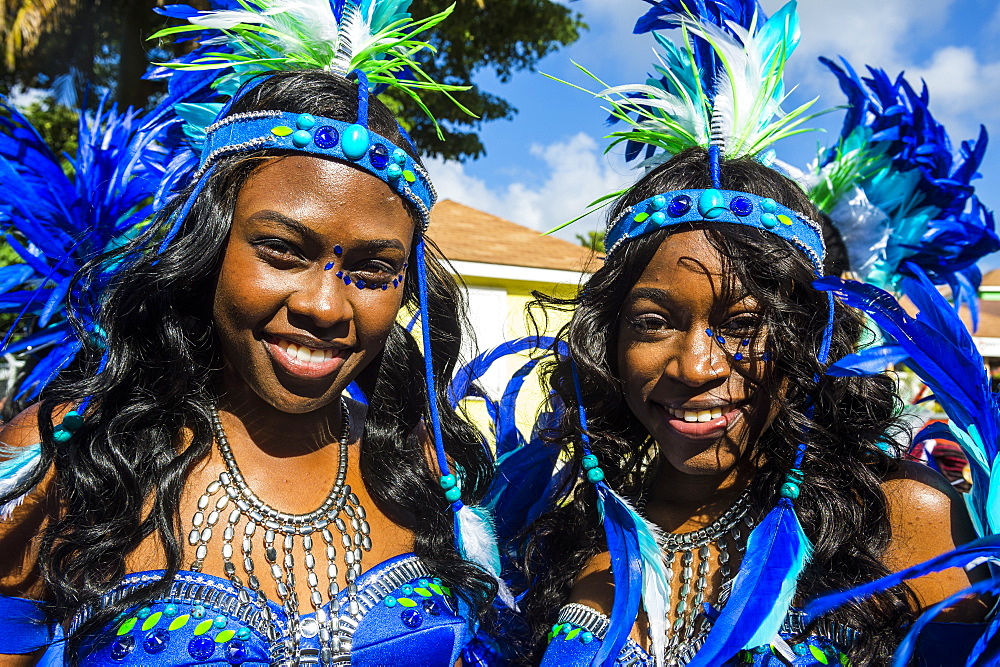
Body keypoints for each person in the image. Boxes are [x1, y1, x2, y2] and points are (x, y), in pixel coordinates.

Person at [0, 3, 501, 663]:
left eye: (373, 270)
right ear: (209, 245)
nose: (326, 305)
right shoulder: (72, 455)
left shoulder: (425, 474)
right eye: (283, 250)